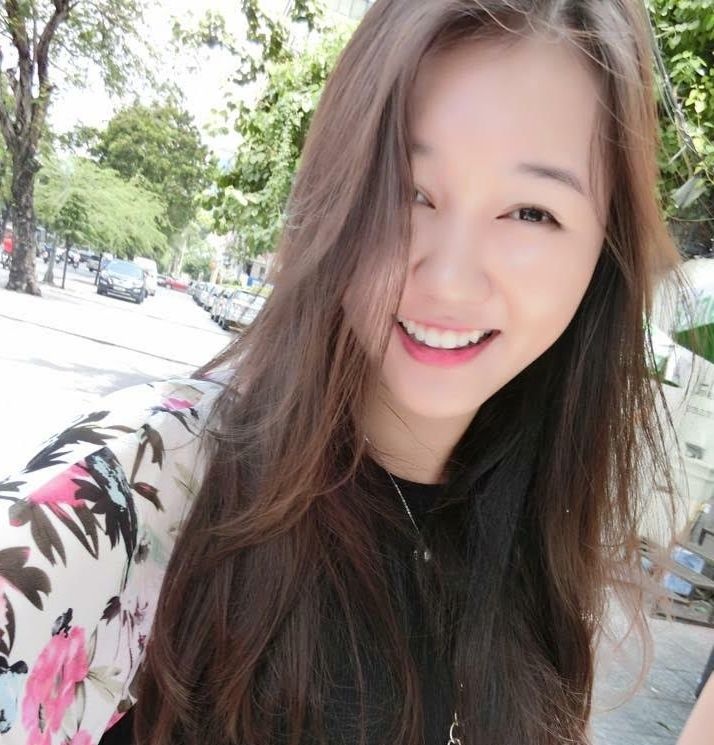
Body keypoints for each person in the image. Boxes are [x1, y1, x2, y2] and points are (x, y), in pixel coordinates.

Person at [0, 1, 686, 743]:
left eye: (530, 212)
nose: (449, 280)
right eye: (408, 190)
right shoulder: (142, 488)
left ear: (604, 247)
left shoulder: (541, 535)